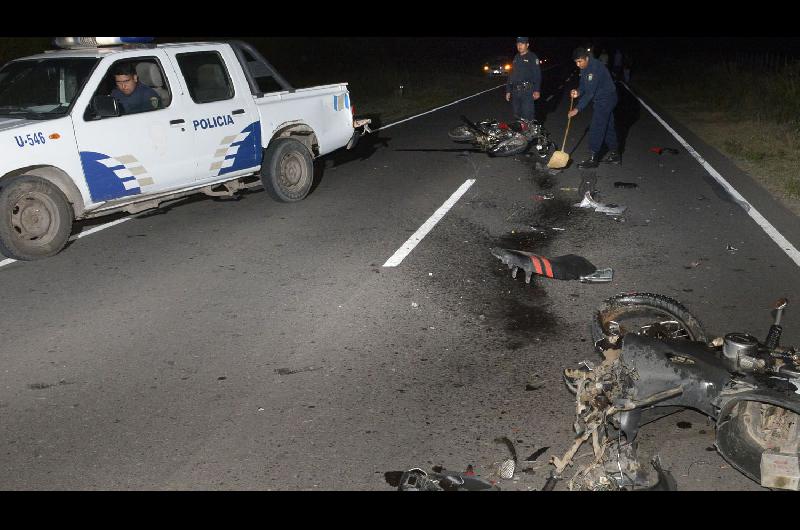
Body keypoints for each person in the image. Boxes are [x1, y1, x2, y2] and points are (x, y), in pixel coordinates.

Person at [568, 47, 620, 168]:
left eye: (579, 61)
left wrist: (577, 109)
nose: (577, 64)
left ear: (586, 58)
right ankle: (615, 154)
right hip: (605, 98)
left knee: (596, 126)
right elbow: (583, 85)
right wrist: (578, 91)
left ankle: (593, 158)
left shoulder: (595, 68)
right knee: (607, 126)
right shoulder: (585, 67)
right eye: (576, 62)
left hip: (606, 99)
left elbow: (590, 93)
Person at [505, 37, 541, 122]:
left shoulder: (532, 57)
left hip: (527, 92)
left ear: (527, 45)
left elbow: (537, 75)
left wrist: (537, 90)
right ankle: (520, 134)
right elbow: (511, 75)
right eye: (518, 44)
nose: (519, 45)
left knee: (527, 116)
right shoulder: (516, 57)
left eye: (522, 43)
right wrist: (508, 90)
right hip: (515, 92)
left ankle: (528, 134)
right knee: (517, 115)